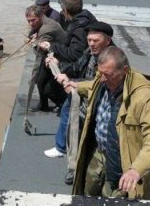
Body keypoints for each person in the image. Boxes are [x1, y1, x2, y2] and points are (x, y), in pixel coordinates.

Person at [66, 46, 150, 199]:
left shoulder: (144, 98)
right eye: (100, 73)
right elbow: (92, 86)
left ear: (124, 70)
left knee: (113, 199)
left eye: (108, 75)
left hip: (122, 163)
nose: (102, 79)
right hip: (99, 154)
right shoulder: (103, 81)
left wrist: (136, 170)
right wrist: (76, 85)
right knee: (87, 196)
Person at [43, 21, 114, 185]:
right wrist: (59, 64)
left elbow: (100, 84)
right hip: (82, 105)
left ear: (108, 41)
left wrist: (72, 82)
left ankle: (85, 175)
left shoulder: (111, 61)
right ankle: (74, 168)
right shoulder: (90, 52)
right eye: (89, 40)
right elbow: (76, 66)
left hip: (97, 110)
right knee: (74, 135)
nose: (91, 44)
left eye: (96, 40)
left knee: (91, 144)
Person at [35, 0, 96, 111]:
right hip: (81, 63)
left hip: (81, 69)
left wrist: (52, 47)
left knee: (47, 87)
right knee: (42, 75)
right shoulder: (85, 17)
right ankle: (47, 104)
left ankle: (66, 105)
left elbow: (75, 55)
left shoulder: (79, 27)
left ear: (66, 10)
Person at [25, 5, 67, 112]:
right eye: (28, 21)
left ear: (41, 16)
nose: (31, 23)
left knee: (46, 87)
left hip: (60, 58)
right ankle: (43, 105)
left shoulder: (46, 28)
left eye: (33, 20)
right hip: (51, 55)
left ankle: (63, 104)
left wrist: (33, 42)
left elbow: (40, 53)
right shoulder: (43, 23)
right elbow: (36, 36)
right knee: (40, 81)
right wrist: (34, 38)